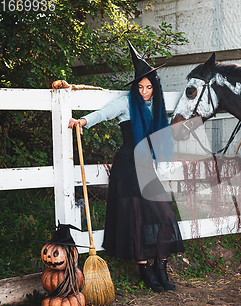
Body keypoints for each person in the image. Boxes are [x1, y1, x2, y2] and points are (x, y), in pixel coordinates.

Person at [68, 40, 184, 292]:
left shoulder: (158, 108)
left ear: (155, 87)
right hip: (127, 166)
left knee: (166, 216)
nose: (144, 91)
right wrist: (83, 121)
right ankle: (146, 272)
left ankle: (160, 267)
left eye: (148, 87)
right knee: (136, 219)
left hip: (147, 168)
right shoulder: (125, 103)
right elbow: (103, 113)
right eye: (140, 87)